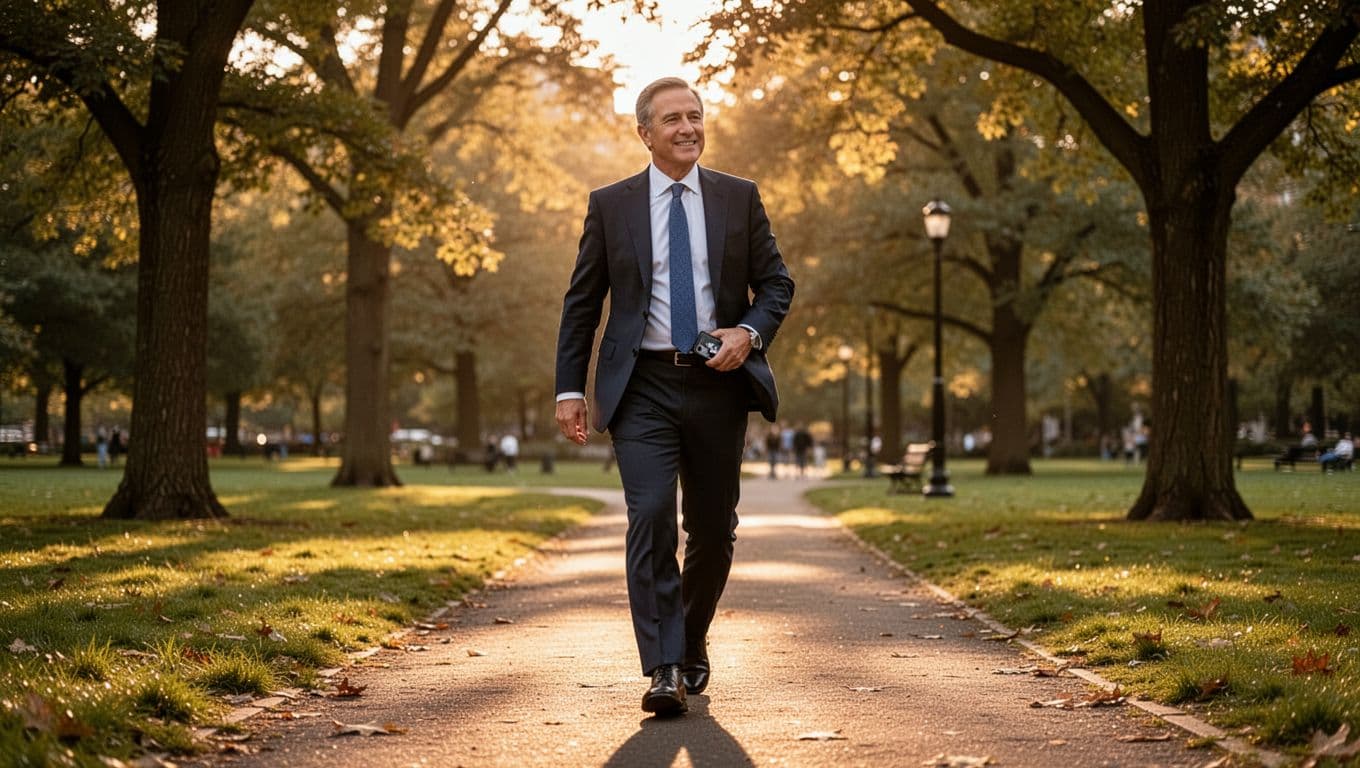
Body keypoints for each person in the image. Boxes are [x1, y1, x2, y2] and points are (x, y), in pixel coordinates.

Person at [555, 77, 794, 717]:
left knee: (714, 531)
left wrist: (747, 333)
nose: (687, 128)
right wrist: (569, 388)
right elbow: (583, 303)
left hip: (718, 382)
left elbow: (776, 284)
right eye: (672, 120)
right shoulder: (612, 205)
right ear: (645, 133)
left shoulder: (738, 198)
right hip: (642, 386)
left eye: (695, 116)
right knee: (652, 514)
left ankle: (689, 639)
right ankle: (663, 667)